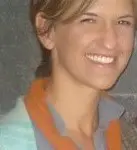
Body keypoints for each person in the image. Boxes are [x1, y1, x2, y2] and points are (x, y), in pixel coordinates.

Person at [0, 0, 136, 149]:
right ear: (46, 29)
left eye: (123, 22)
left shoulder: (127, 134)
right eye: (89, 20)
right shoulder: (10, 142)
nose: (110, 42)